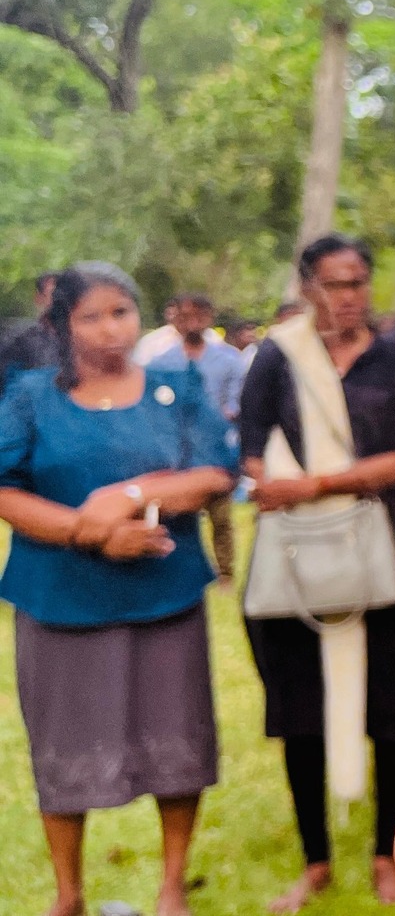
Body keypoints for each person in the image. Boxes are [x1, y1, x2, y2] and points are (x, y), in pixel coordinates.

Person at [0, 264, 237, 916]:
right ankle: (69, 894)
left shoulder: (176, 386)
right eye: (92, 316)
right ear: (62, 326)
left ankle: (171, 888)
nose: (111, 329)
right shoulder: (29, 397)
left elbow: (216, 472)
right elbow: (5, 489)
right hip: (60, 599)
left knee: (178, 742)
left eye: (122, 312)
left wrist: (130, 495)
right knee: (63, 749)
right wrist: (90, 533)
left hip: (164, 596)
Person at [241, 235, 395, 912]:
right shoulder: (278, 355)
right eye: (333, 284)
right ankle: (315, 861)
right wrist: (276, 482)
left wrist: (318, 482)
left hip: (381, 553)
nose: (348, 297)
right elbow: (252, 447)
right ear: (307, 287)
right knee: (299, 712)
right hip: (297, 558)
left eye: (357, 283)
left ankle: (386, 852)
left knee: (391, 711)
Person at [146, 293, 248, 583]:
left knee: (221, 516)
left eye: (197, 315)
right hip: (176, 451)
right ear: (174, 320)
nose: (191, 322)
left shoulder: (229, 359)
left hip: (215, 450)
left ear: (208, 319)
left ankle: (226, 572)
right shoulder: (161, 362)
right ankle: (179, 571)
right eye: (184, 316)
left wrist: (217, 418)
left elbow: (238, 402)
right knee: (175, 515)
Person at [0, 271, 61, 390]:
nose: (61, 300)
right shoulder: (18, 340)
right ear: (39, 298)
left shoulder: (85, 338)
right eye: (54, 294)